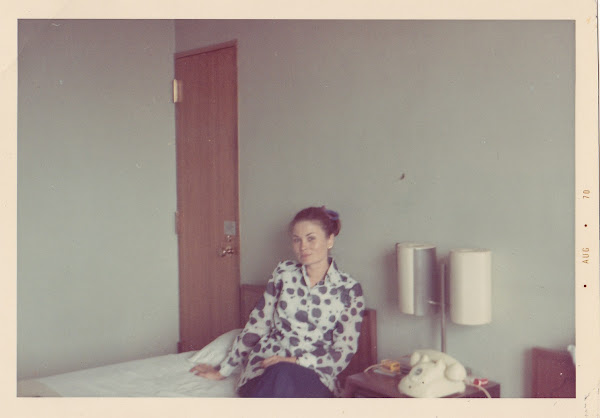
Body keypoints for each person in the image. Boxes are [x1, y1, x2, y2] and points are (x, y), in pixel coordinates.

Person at [189, 206, 365, 397]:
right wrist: (223, 371)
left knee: (283, 374)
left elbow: (344, 350)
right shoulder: (283, 274)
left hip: (314, 373)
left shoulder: (349, 289)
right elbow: (257, 325)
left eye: (311, 238)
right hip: (266, 367)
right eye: (296, 239)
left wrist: (294, 361)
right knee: (279, 376)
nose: (303, 246)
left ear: (330, 240)